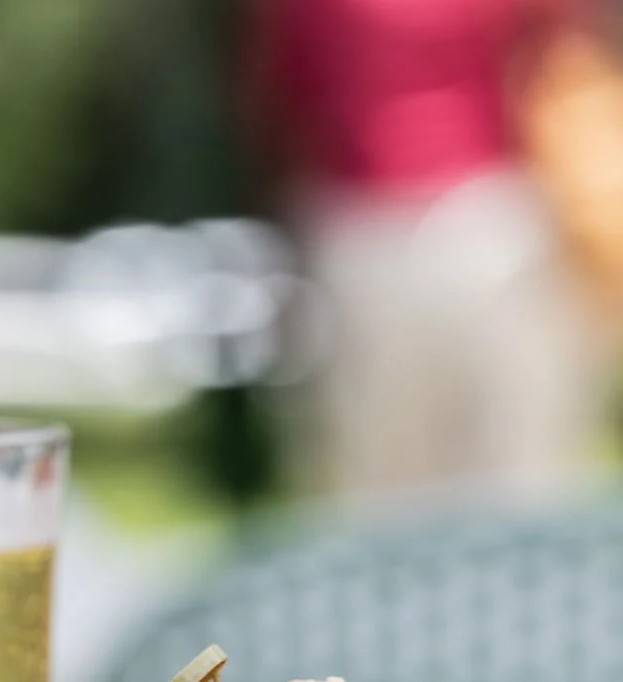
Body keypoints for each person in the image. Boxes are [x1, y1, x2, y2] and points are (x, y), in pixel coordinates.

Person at [249, 0, 612, 497]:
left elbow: (279, 98)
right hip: (479, 218)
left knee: (395, 479)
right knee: (518, 472)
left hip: (376, 231)